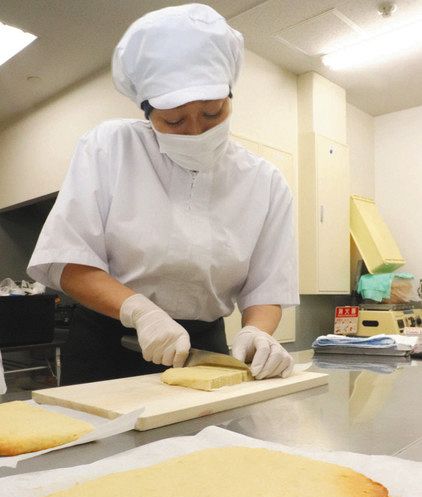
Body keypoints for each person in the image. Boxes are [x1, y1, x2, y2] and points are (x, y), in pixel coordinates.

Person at [27, 3, 299, 386]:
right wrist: (140, 311)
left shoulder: (265, 181)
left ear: (230, 97)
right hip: (108, 344)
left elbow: (266, 288)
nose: (195, 132)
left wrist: (258, 333)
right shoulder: (109, 147)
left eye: (212, 113)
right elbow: (68, 261)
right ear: (147, 111)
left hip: (206, 350)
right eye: (173, 120)